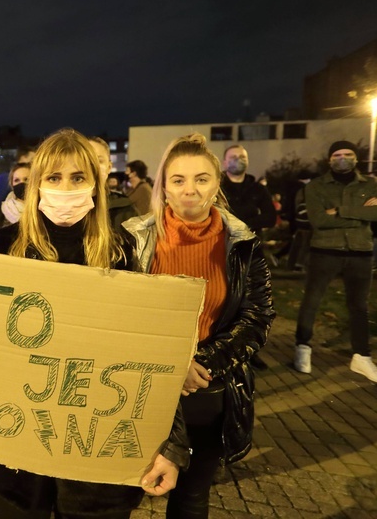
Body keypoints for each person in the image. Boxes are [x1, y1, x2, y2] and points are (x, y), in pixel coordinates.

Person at [0, 128, 191, 519]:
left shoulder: (121, 250)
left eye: (78, 177)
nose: (66, 187)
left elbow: (145, 352)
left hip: (94, 460)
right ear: (36, 184)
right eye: (54, 177)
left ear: (95, 184)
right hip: (16, 453)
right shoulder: (1, 246)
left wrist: (171, 442)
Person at [121, 133, 275, 518]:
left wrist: (202, 365)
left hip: (208, 388)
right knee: (121, 492)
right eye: (178, 180)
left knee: (191, 498)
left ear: (217, 184)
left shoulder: (242, 243)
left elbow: (256, 317)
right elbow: (119, 315)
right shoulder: (131, 238)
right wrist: (171, 363)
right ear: (164, 187)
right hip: (140, 387)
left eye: (201, 178)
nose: (190, 189)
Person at [294, 141, 377, 383]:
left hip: (360, 251)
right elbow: (319, 220)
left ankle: (362, 355)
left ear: (356, 157)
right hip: (325, 251)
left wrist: (339, 211)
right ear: (329, 159)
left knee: (359, 306)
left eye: (348, 154)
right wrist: (359, 212)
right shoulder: (317, 187)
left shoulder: (370, 184)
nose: (343, 158)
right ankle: (303, 345)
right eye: (337, 155)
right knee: (311, 300)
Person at [220, 145, 275, 371]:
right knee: (227, 302)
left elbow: (271, 216)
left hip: (252, 252)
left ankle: (251, 351)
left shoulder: (257, 189)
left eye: (242, 157)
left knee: (252, 304)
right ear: (224, 163)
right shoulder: (218, 187)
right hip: (224, 251)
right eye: (233, 157)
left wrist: (243, 225)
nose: (238, 160)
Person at [89, 137, 137, 232]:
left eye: (99, 160)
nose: (93, 166)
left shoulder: (124, 209)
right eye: (86, 160)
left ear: (109, 167)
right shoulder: (61, 207)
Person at [0, 162, 29, 253]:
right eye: (17, 180)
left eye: (27, 179)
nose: (22, 184)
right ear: (12, 184)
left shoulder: (45, 213)